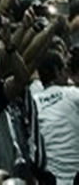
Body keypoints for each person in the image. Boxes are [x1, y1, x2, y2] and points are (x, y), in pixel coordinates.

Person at [31, 51, 79, 185]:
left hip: (50, 179)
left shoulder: (33, 103)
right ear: (58, 72)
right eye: (64, 69)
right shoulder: (72, 94)